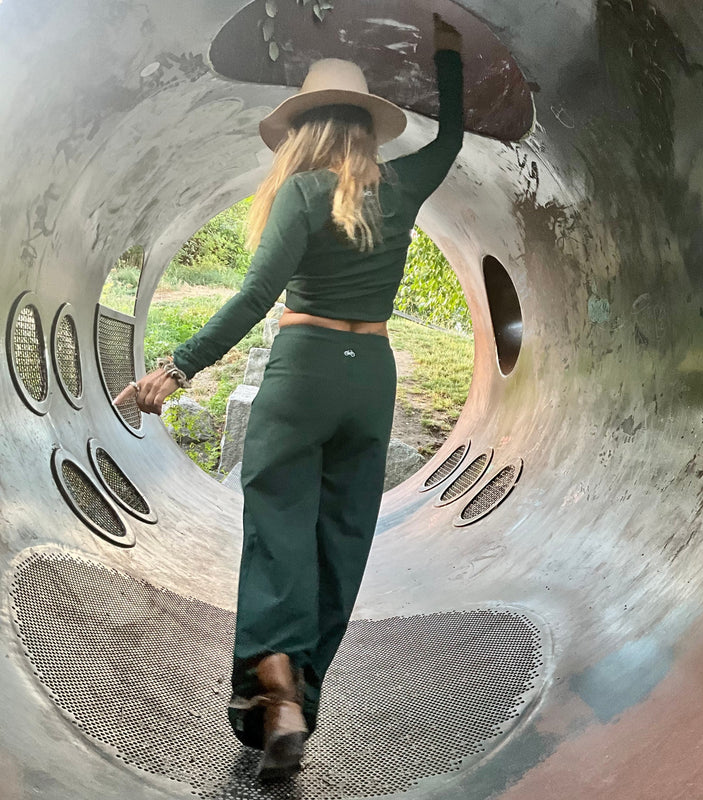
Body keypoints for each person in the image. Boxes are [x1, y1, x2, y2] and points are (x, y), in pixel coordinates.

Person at [115, 13, 463, 780]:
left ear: (303, 131)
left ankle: (276, 687)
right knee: (342, 539)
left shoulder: (303, 196)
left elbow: (250, 301)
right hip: (370, 378)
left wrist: (177, 367)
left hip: (302, 368)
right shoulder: (401, 188)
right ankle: (302, 690)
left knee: (279, 529)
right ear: (368, 131)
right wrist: (448, 58)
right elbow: (452, 138)